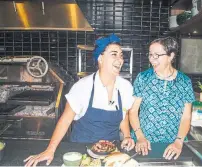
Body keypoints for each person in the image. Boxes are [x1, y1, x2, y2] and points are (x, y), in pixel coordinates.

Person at [24, 34, 135, 167]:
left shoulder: (125, 87)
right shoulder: (83, 87)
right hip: (81, 150)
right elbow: (65, 120)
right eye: (114, 54)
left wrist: (127, 136)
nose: (120, 59)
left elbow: (124, 114)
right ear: (100, 58)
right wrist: (50, 150)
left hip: (111, 152)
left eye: (121, 55)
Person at [129, 37, 195, 160]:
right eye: (150, 55)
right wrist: (140, 137)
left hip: (172, 144)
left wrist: (179, 141)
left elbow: (186, 117)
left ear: (171, 56)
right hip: (144, 143)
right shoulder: (143, 78)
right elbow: (133, 111)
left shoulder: (184, 81)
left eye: (157, 55)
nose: (152, 59)